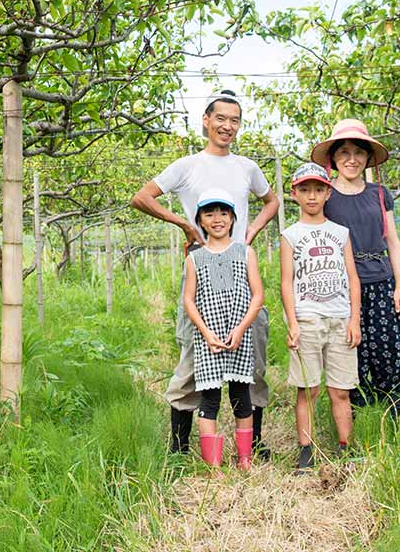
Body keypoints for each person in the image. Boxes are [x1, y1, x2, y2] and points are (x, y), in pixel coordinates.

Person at [130, 90, 279, 458]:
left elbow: (272, 200)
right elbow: (142, 197)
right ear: (206, 121)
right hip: (203, 263)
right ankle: (179, 448)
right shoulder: (188, 166)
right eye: (221, 119)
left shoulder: (246, 167)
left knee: (252, 352)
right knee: (193, 353)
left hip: (240, 267)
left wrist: (251, 232)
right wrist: (183, 224)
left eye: (235, 120)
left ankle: (254, 443)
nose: (227, 126)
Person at [310, 119, 400, 419]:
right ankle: (355, 421)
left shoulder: (379, 193)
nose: (351, 159)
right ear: (334, 159)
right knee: (350, 352)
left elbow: (392, 240)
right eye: (344, 153)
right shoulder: (326, 196)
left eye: (358, 153)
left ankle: (392, 418)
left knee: (387, 351)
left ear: (367, 158)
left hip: (380, 283)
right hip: (341, 289)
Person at [280, 162, 361, 471]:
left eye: (318, 190)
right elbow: (286, 281)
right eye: (305, 190)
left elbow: (352, 278)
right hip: (308, 319)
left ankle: (346, 448)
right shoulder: (291, 235)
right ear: (295, 194)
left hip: (340, 319)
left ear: (328, 193)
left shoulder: (340, 233)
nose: (311, 196)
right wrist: (293, 323)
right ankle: (306, 451)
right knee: (309, 388)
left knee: (340, 390)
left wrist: (354, 319)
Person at [182, 189, 265, 470]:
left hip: (238, 334)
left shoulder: (245, 252)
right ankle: (213, 466)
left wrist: (241, 329)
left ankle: (244, 460)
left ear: (232, 218)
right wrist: (206, 333)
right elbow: (189, 300)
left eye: (223, 213)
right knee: (210, 398)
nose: (217, 219)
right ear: (201, 222)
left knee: (242, 396)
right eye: (209, 213)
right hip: (210, 338)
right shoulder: (194, 258)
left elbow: (257, 296)